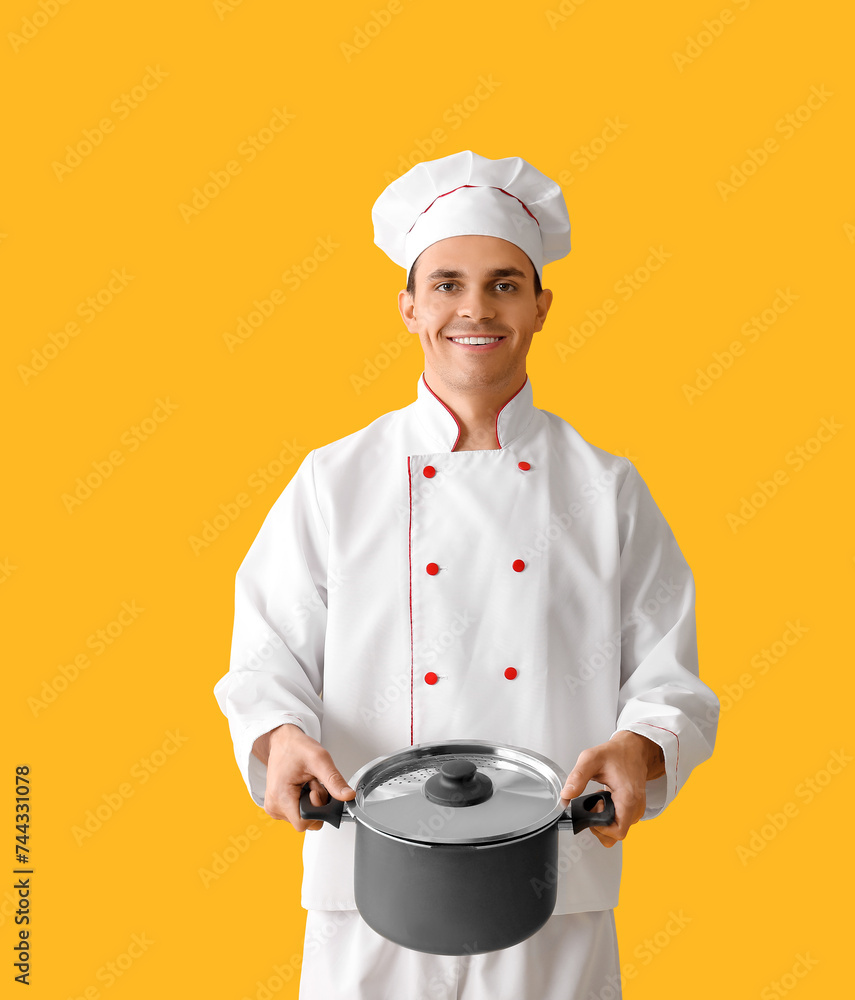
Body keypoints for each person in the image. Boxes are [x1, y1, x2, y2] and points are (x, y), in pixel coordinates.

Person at [213, 149, 720, 1000]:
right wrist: (280, 739)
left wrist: (640, 747)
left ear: (541, 305)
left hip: (551, 885)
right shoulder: (335, 480)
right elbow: (266, 663)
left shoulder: (604, 489)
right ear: (408, 306)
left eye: (503, 283)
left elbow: (672, 680)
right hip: (368, 884)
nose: (474, 308)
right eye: (446, 283)